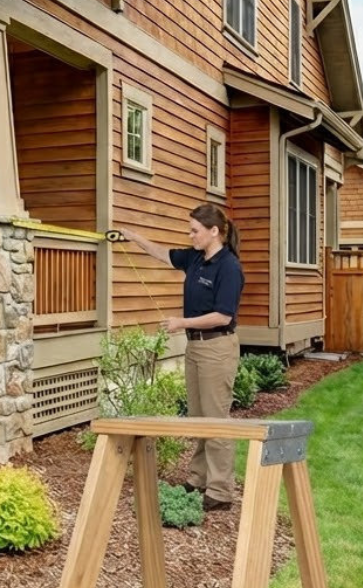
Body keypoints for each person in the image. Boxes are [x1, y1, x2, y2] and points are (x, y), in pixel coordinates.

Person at [122, 204, 245, 513]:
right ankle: (198, 479)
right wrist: (132, 236)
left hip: (217, 347)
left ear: (214, 231)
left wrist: (182, 323)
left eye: (195, 231)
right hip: (196, 348)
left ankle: (220, 491)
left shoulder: (229, 267)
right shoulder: (194, 258)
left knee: (216, 419)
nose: (190, 235)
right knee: (199, 415)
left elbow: (223, 315)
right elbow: (162, 253)